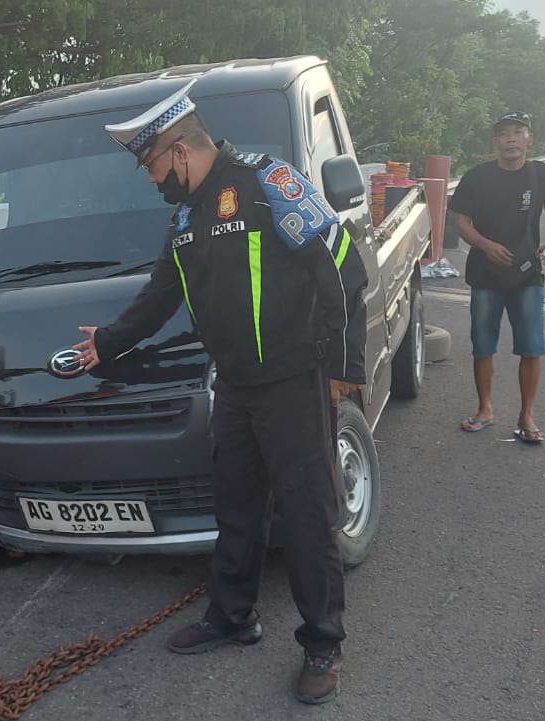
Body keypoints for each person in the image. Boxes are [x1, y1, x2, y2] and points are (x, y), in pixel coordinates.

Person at [70, 79, 367, 704]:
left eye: (152, 166)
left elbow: (340, 261)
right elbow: (160, 295)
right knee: (236, 506)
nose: (152, 181)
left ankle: (322, 644)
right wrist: (109, 342)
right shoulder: (185, 218)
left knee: (309, 516)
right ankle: (234, 617)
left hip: (292, 381)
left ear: (179, 151)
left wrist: (345, 363)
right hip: (233, 387)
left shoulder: (267, 181)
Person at [450, 111, 545, 442]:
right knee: (482, 345)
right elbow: (460, 222)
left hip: (527, 276)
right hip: (485, 275)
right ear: (496, 141)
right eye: (504, 133)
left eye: (518, 132)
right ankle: (484, 409)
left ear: (530, 138)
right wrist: (486, 246)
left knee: (532, 347)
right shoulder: (477, 177)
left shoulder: (542, 176)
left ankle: (526, 416)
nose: (511, 139)